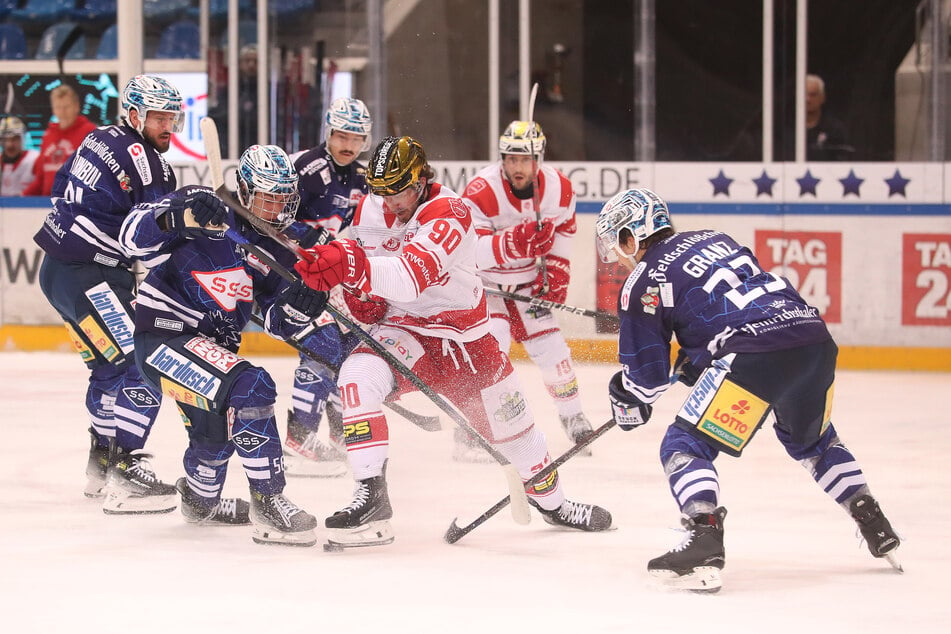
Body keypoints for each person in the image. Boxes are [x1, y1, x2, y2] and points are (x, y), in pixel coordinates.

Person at [294, 135, 613, 548]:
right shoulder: (372, 207)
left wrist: (349, 267)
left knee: (518, 438)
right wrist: (340, 287)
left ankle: (554, 503)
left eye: (400, 191)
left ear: (421, 179)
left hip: (467, 342)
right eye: (382, 193)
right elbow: (368, 286)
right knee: (355, 377)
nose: (391, 203)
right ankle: (371, 496)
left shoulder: (449, 212)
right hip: (406, 331)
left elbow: (408, 277)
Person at [595, 188, 901, 593]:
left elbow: (647, 381)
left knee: (683, 445)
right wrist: (701, 356)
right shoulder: (715, 239)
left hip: (754, 355)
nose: (618, 254)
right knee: (814, 443)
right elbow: (736, 303)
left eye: (618, 241)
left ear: (632, 235)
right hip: (812, 341)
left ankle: (704, 538)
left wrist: (625, 396)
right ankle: (872, 520)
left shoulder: (641, 282)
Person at [119, 145, 323, 545]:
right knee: (253, 386)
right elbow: (131, 240)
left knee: (214, 443)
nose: (279, 209)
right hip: (163, 338)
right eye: (270, 197)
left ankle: (200, 501)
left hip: (212, 354)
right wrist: (178, 217)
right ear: (245, 191)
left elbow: (277, 323)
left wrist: (299, 308)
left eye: (286, 198)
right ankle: (269, 501)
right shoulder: (204, 205)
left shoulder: (278, 252)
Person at [33, 75, 185, 514]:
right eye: (158, 117)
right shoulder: (152, 166)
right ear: (135, 114)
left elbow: (61, 187)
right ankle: (125, 469)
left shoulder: (96, 137)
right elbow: (151, 242)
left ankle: (100, 465)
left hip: (59, 274)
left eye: (171, 117)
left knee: (107, 368)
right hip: (91, 276)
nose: (166, 126)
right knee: (144, 358)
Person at [458, 120, 593, 462]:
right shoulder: (480, 190)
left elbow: (563, 232)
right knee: (493, 349)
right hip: (487, 287)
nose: (517, 167)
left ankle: (573, 416)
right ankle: (473, 426)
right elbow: (470, 251)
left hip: (528, 286)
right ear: (502, 159)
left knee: (554, 351)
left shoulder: (558, 189)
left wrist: (556, 274)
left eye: (524, 159)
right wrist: (516, 242)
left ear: (539, 159)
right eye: (510, 158)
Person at [279, 97, 372, 478]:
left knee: (350, 350)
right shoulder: (306, 167)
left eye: (356, 137)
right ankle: (300, 438)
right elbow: (272, 213)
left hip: (328, 276)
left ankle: (339, 435)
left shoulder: (363, 179)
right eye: (341, 135)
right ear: (328, 133)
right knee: (321, 347)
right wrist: (308, 236)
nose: (348, 144)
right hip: (289, 272)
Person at [23, 84, 97, 196]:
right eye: (58, 107)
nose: (62, 112)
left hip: (75, 203)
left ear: (76, 106)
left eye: (66, 107)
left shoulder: (90, 132)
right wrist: (21, 197)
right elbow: (40, 178)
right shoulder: (48, 135)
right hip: (46, 204)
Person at [806, 74, 852, 161]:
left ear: (822, 98)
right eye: (804, 95)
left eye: (813, 95)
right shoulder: (788, 129)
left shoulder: (835, 129)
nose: (807, 100)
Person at [0, 116, 38, 196]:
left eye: (14, 139)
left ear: (22, 138)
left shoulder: (35, 159)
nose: (9, 144)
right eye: (5, 140)